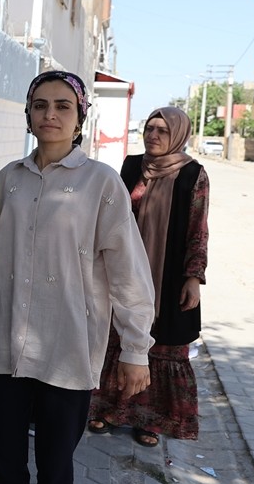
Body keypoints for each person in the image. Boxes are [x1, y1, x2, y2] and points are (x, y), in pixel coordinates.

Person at [0, 71, 156, 484]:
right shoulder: (7, 180)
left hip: (68, 348)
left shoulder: (101, 184)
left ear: (80, 117)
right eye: (40, 105)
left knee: (55, 468)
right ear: (28, 113)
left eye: (62, 107)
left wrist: (137, 350)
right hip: (6, 346)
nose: (50, 115)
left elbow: (128, 272)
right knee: (4, 463)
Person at [88, 106, 209, 448]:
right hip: (123, 267)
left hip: (167, 273)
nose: (153, 136)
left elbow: (198, 228)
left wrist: (193, 277)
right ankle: (106, 408)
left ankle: (150, 421)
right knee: (114, 337)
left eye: (162, 131)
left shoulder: (192, 174)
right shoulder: (130, 166)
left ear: (178, 135)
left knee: (161, 345)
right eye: (149, 129)